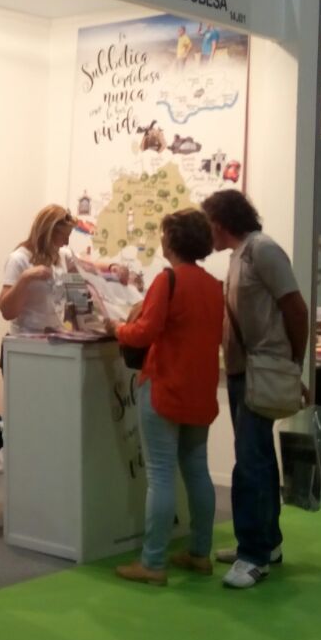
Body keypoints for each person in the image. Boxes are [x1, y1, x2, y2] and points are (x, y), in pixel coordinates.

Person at [108, 209, 224, 586]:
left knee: (159, 475)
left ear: (171, 239)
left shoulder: (168, 280)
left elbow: (144, 333)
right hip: (200, 390)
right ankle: (199, 553)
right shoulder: (212, 285)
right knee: (197, 471)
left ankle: (153, 562)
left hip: (164, 387)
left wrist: (118, 328)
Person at [203, 191, 309, 590]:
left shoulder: (263, 251)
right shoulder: (239, 255)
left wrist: (292, 364)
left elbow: (296, 309)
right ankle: (267, 542)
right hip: (243, 370)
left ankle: (254, 555)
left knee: (250, 461)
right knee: (258, 456)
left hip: (260, 368)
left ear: (220, 220)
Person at [0, 205, 78, 334]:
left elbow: (88, 266)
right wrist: (25, 278)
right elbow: (7, 313)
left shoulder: (62, 255)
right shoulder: (19, 259)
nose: (67, 242)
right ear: (49, 232)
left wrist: (113, 269)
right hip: (25, 342)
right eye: (64, 236)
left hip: (53, 339)